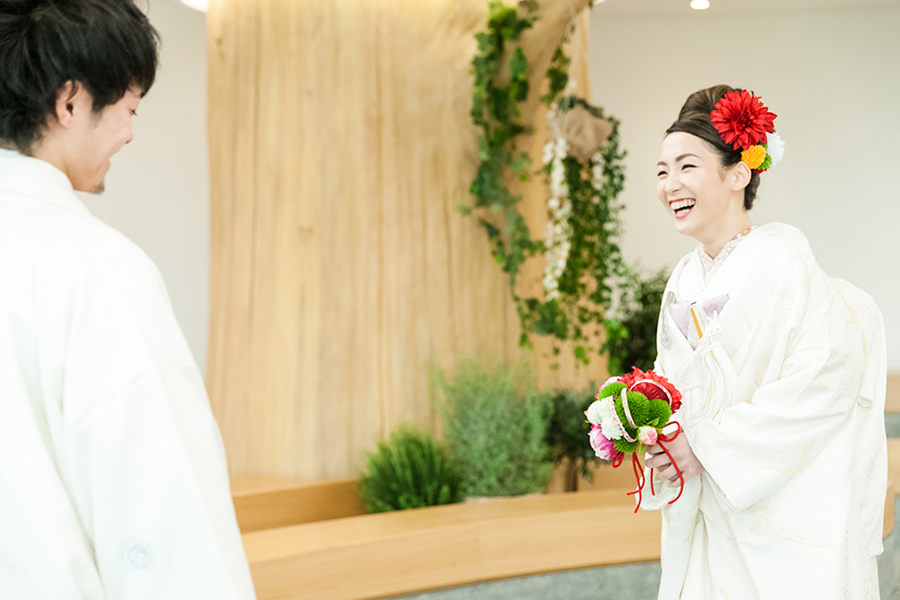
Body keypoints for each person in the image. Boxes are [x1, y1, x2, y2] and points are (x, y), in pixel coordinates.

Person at [0, 1, 256, 598]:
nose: (130, 133)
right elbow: (164, 520)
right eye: (129, 108)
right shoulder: (94, 265)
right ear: (70, 102)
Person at [642, 85, 887, 599]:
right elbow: (675, 390)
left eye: (687, 166)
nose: (670, 184)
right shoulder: (683, 280)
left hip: (778, 518)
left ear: (738, 174)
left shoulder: (785, 259)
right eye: (662, 171)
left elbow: (827, 379)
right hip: (710, 511)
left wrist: (703, 446)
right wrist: (662, 439)